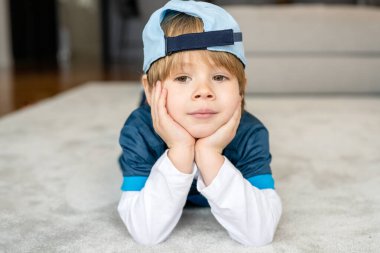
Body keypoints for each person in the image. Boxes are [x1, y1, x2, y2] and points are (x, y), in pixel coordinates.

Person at [117, 0, 282, 246]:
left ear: (241, 88)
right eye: (183, 77)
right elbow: (146, 233)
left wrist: (210, 153)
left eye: (219, 77)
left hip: (200, 115)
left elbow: (260, 233)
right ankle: (159, 96)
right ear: (151, 91)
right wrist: (180, 150)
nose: (203, 91)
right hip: (156, 119)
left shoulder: (250, 133)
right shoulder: (139, 132)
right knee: (159, 110)